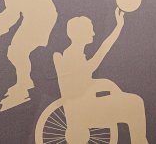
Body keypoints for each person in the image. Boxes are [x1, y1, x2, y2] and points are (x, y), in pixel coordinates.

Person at [55, 12, 148, 144]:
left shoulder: (73, 54)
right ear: (81, 34)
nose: (93, 33)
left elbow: (84, 80)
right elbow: (80, 84)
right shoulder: (73, 56)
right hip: (86, 112)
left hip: (85, 107)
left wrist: (106, 84)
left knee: (133, 102)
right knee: (135, 103)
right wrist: (118, 27)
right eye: (90, 30)